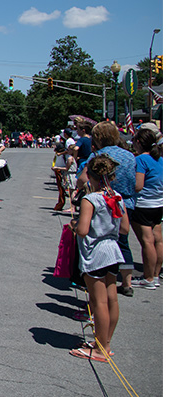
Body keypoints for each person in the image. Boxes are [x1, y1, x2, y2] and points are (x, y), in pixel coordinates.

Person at [68, 154, 127, 362]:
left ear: (90, 175)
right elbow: (125, 228)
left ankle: (101, 348)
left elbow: (83, 230)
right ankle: (105, 341)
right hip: (113, 250)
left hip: (96, 253)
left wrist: (74, 225)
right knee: (111, 298)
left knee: (98, 301)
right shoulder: (116, 196)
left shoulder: (90, 199)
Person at [75, 122, 137, 297]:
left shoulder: (98, 156)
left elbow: (81, 180)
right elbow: (136, 183)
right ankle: (126, 282)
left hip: (101, 200)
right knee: (122, 241)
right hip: (125, 201)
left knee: (98, 239)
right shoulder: (129, 156)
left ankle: (97, 286)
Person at [129, 129, 162, 289]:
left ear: (139, 142)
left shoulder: (141, 159)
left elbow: (138, 185)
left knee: (147, 242)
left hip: (144, 204)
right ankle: (155, 275)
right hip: (159, 203)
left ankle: (148, 278)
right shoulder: (160, 159)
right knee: (158, 240)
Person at [51, 142, 74, 211]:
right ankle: (60, 203)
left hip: (61, 171)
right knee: (60, 189)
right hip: (58, 170)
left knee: (62, 190)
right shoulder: (58, 154)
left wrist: (64, 176)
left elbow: (64, 165)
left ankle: (60, 204)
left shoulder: (63, 155)